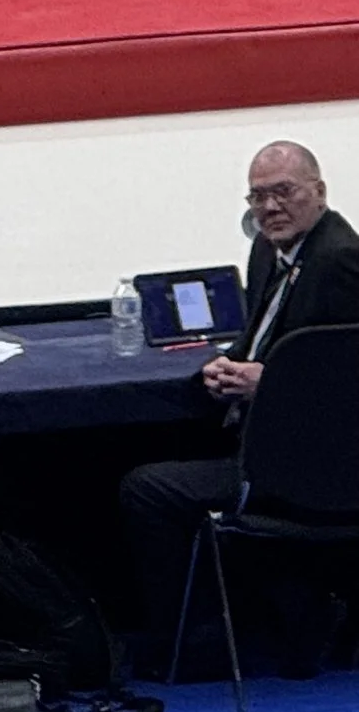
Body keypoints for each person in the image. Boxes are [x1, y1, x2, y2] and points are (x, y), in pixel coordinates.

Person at [118, 142, 359, 673]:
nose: (270, 207)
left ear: (319, 192)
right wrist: (226, 369)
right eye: (258, 196)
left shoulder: (341, 261)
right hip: (265, 438)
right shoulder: (269, 252)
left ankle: (195, 646)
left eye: (284, 192)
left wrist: (267, 384)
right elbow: (260, 342)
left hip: (311, 466)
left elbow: (343, 384)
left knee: (148, 489)